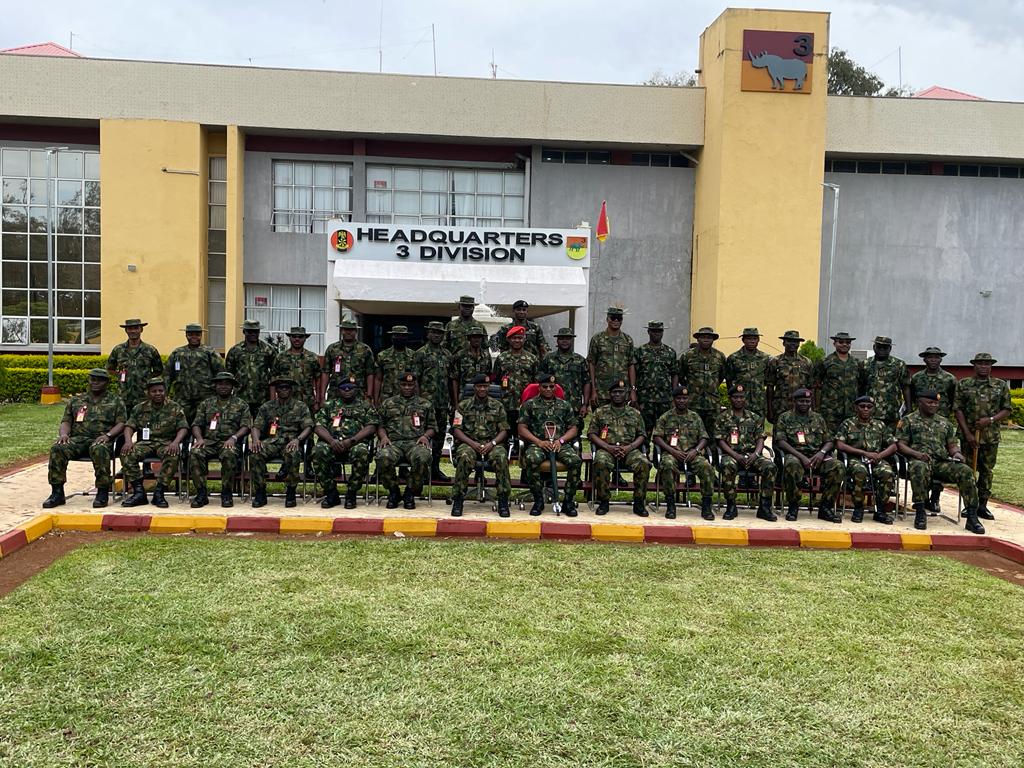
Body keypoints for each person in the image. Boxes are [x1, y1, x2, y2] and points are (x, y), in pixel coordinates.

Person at [898, 390, 984, 534]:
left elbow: (952, 446)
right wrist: (916, 454)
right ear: (920, 402)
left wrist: (957, 454)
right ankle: (920, 511)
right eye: (930, 402)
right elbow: (900, 445)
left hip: (940, 462)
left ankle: (971, 516)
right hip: (919, 460)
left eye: (936, 403)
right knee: (919, 468)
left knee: (966, 471)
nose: (934, 405)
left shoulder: (945, 423)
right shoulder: (908, 420)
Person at [42, 368, 126, 509]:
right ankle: (57, 493)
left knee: (99, 448)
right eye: (92, 379)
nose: (95, 383)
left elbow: (121, 423)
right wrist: (63, 435)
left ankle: (102, 491)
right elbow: (66, 421)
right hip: (79, 439)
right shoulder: (76, 400)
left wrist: (108, 435)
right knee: (58, 448)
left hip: (102, 439)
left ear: (106, 382)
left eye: (99, 380)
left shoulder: (116, 401)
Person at [955, 352, 1012, 521]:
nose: (983, 366)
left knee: (986, 471)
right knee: (967, 470)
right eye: (980, 363)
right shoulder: (964, 384)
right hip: (968, 436)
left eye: (987, 364)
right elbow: (957, 409)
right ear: (974, 365)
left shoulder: (1000, 385)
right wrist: (967, 433)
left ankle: (982, 505)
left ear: (991, 366)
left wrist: (991, 420)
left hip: (990, 436)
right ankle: (968, 504)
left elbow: (1007, 409)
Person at [774, 388, 844, 523]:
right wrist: (801, 457)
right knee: (791, 464)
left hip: (817, 456)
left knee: (837, 466)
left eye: (807, 401)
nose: (804, 404)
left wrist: (821, 453)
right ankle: (793, 506)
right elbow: (781, 442)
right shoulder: (785, 418)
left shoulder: (818, 418)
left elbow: (829, 441)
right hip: (795, 454)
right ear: (794, 401)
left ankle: (826, 507)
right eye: (801, 401)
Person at [518, 373, 582, 517]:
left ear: (555, 388)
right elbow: (522, 428)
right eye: (545, 386)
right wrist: (539, 442)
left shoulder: (564, 405)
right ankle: (538, 500)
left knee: (575, 461)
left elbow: (573, 428)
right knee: (532, 459)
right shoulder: (529, 404)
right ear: (539, 388)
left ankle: (568, 501)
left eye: (551, 387)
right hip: (538, 443)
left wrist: (561, 441)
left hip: (560, 444)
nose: (548, 389)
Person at [120, 377, 189, 509]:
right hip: (146, 443)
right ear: (148, 393)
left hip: (166, 443)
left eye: (161, 391)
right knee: (127, 453)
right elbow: (129, 426)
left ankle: (159, 492)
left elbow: (183, 427)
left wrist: (175, 442)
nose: (158, 393)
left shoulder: (174, 407)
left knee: (173, 455)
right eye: (154, 391)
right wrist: (128, 441)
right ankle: (139, 492)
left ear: (165, 392)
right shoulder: (140, 408)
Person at [311, 376, 378, 509]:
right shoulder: (329, 405)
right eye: (344, 388)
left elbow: (371, 427)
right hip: (332, 442)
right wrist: (331, 441)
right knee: (318, 451)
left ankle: (351, 492)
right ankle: (331, 492)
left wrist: (352, 441)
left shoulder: (365, 406)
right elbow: (318, 426)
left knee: (362, 452)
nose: (347, 391)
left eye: (351, 388)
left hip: (355, 443)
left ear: (356, 390)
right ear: (338, 390)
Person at [450, 373, 512, 517]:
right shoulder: (463, 406)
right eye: (479, 386)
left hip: (492, 444)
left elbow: (504, 430)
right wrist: (472, 444)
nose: (482, 389)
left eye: (485, 386)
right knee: (464, 456)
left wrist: (493, 443)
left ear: (489, 387)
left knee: (501, 456)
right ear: (474, 388)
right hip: (469, 443)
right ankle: (458, 499)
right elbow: (456, 430)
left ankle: (503, 500)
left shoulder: (498, 406)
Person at [589, 379, 651, 517]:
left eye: (621, 392)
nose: (617, 395)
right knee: (600, 462)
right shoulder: (600, 412)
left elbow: (642, 435)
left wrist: (629, 447)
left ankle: (639, 501)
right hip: (607, 449)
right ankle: (604, 501)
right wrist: (607, 447)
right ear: (609, 394)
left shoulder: (635, 413)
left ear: (627, 394)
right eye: (614, 392)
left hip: (629, 450)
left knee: (644, 463)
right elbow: (592, 433)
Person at [188, 371, 251, 508]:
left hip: (229, 442)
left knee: (229, 453)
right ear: (215, 386)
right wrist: (199, 438)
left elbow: (246, 426)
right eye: (220, 383)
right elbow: (196, 424)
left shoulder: (241, 404)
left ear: (232, 386)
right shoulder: (206, 404)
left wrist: (234, 438)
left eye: (227, 384)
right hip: (208, 441)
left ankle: (226, 492)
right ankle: (201, 493)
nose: (223, 386)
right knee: (195, 452)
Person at [652, 385, 715, 521]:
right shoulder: (666, 417)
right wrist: (672, 451)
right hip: (672, 453)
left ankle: (706, 505)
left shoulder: (695, 417)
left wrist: (696, 450)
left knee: (706, 466)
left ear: (689, 400)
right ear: (674, 400)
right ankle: (670, 504)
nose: (682, 401)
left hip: (692, 454)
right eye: (679, 398)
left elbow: (704, 437)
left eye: (684, 398)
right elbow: (657, 437)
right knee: (667, 464)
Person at [250, 377, 314, 508]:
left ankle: (291, 491)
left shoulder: (300, 406)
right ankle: (260, 492)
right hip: (272, 442)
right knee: (256, 453)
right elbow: (256, 426)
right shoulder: (267, 407)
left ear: (291, 390)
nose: (284, 390)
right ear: (276, 390)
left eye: (287, 388)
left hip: (291, 442)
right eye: (281, 388)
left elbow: (308, 426)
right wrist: (256, 440)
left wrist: (298, 439)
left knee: (293, 453)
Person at [376, 371, 436, 510]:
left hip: (415, 442)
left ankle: (410, 492)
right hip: (393, 442)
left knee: (422, 457)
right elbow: (380, 426)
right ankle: (393, 491)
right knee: (383, 457)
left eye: (410, 385)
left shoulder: (425, 404)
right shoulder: (388, 403)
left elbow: (432, 427)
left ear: (415, 385)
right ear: (399, 385)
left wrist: (425, 436)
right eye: (404, 384)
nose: (407, 387)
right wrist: (383, 437)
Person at [715, 384, 775, 521]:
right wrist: (735, 455)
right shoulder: (723, 418)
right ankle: (731, 506)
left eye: (741, 397)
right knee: (728, 466)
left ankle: (764, 507)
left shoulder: (755, 418)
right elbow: (720, 441)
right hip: (731, 454)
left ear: (745, 399)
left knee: (770, 467)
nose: (739, 400)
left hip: (751, 454)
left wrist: (756, 454)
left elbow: (760, 439)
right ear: (730, 399)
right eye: (735, 397)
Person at [835, 396, 898, 524]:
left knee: (887, 473)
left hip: (876, 458)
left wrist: (879, 456)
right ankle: (858, 507)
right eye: (862, 406)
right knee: (860, 471)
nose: (865, 409)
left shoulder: (880, 425)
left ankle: (880, 510)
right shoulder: (848, 423)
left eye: (869, 407)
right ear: (855, 408)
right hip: (855, 458)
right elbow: (839, 444)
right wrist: (864, 452)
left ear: (873, 409)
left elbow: (893, 445)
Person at [910, 345, 959, 513]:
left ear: (941, 359)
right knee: (921, 461)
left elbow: (954, 401)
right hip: (920, 423)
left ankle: (935, 497)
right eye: (930, 357)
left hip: (941, 425)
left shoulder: (949, 379)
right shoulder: (916, 378)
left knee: (940, 458)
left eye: (936, 357)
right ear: (924, 359)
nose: (933, 360)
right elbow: (911, 396)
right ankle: (920, 499)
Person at [414, 320, 454, 481]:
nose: (436, 335)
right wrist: (417, 402)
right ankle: (422, 470)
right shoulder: (420, 353)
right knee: (422, 435)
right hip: (424, 403)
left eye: (439, 333)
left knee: (439, 436)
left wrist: (453, 401)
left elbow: (451, 380)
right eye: (434, 332)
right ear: (428, 333)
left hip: (442, 403)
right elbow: (415, 379)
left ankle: (435, 468)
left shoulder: (447, 355)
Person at [164, 323, 225, 423]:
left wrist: (220, 393)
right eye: (190, 334)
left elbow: (220, 373)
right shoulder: (177, 353)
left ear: (201, 335)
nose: (194, 337)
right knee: (182, 425)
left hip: (205, 397)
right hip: (182, 397)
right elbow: (167, 374)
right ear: (186, 335)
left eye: (197, 334)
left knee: (205, 425)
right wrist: (165, 394)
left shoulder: (209, 352)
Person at [491, 326, 539, 446]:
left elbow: (536, 383)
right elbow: (495, 381)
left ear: (524, 339)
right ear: (508, 340)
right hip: (505, 405)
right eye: (514, 338)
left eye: (520, 338)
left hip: (525, 406)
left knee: (524, 441)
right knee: (503, 439)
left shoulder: (532, 359)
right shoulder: (501, 358)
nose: (517, 340)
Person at [106, 317, 163, 414]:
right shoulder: (118, 350)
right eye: (130, 329)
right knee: (124, 424)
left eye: (136, 328)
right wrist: (120, 375)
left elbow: (158, 370)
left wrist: (146, 378)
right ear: (126, 331)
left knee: (144, 424)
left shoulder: (150, 350)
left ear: (141, 329)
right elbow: (109, 368)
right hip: (124, 396)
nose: (133, 331)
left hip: (144, 396)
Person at [539, 327, 590, 433]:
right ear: (557, 340)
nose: (565, 341)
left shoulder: (580, 360)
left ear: (572, 340)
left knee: (575, 434)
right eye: (562, 338)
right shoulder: (548, 359)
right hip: (552, 404)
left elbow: (586, 382)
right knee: (551, 432)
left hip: (574, 406)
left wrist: (585, 404)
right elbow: (540, 382)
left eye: (568, 338)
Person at [678, 326, 727, 436]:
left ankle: (713, 453)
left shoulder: (719, 356)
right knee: (692, 432)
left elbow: (722, 375)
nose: (706, 339)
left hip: (713, 403)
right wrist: (692, 387)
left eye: (709, 337)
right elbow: (681, 375)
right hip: (693, 402)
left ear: (713, 340)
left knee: (714, 433)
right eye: (703, 337)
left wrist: (711, 387)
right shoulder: (687, 356)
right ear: (697, 339)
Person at [634, 321, 678, 438]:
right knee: (644, 431)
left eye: (659, 331)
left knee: (665, 431)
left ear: (663, 332)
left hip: (665, 399)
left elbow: (674, 374)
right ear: (648, 332)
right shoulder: (640, 351)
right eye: (653, 331)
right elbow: (634, 373)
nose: (656, 334)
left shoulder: (670, 352)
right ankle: (644, 455)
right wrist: (633, 391)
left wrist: (674, 395)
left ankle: (662, 456)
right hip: (645, 399)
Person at [814, 331, 863, 434]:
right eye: (840, 342)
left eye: (847, 342)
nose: (844, 344)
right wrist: (816, 408)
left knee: (851, 437)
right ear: (834, 343)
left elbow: (861, 385)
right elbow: (817, 386)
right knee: (829, 438)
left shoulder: (857, 363)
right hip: (830, 409)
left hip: (851, 409)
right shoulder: (826, 362)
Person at [225, 319, 276, 417]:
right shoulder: (235, 351)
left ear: (259, 332)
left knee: (261, 428)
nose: (253, 334)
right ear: (244, 331)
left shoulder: (268, 350)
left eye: (255, 331)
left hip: (262, 397)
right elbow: (229, 375)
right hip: (240, 397)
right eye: (249, 331)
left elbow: (274, 374)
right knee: (240, 427)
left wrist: (273, 397)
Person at [588, 307, 636, 408]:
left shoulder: (628, 340)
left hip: (622, 391)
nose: (616, 321)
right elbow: (591, 364)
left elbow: (631, 365)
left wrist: (632, 390)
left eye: (619, 318)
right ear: (607, 319)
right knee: (601, 421)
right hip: (602, 391)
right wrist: (593, 390)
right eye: (613, 318)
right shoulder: (597, 339)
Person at [320, 319, 375, 402]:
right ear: (341, 331)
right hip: (336, 394)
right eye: (346, 329)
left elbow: (370, 373)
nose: (348, 332)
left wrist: (369, 395)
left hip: (358, 394)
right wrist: (322, 395)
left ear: (356, 331)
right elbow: (326, 372)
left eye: (351, 330)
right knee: (334, 415)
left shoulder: (365, 349)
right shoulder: (332, 349)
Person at [272, 327, 323, 413]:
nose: (297, 339)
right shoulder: (281, 357)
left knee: (308, 425)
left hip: (307, 401)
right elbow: (273, 378)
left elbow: (318, 379)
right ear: (290, 338)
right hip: (285, 401)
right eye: (294, 336)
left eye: (300, 337)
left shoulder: (312, 357)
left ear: (305, 338)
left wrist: (317, 400)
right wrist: (273, 400)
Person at [862, 336, 910, 428]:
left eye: (885, 347)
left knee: (892, 439)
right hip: (870, 411)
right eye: (879, 347)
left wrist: (908, 408)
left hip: (892, 412)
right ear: (874, 347)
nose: (882, 350)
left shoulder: (899, 364)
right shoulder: (865, 364)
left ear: (890, 348)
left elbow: (906, 387)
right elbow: (861, 387)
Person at [766, 330, 812, 424]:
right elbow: (770, 387)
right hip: (781, 406)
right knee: (779, 435)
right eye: (789, 341)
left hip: (801, 406)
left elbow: (811, 387)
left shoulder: (806, 362)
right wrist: (770, 410)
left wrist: (813, 408)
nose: (793, 344)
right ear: (784, 343)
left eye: (795, 342)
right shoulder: (775, 361)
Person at [725, 327, 770, 422]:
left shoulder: (765, 358)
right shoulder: (733, 358)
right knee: (738, 430)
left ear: (758, 340)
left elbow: (767, 380)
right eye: (749, 339)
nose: (752, 341)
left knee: (758, 431)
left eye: (754, 339)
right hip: (739, 402)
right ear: (743, 340)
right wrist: (733, 397)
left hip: (759, 403)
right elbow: (729, 380)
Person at [374, 325, 416, 405]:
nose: (400, 338)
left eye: (403, 336)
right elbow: (378, 379)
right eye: (396, 335)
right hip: (387, 398)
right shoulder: (382, 356)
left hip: (408, 399)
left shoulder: (413, 356)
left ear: (407, 338)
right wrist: (376, 399)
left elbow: (416, 380)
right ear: (392, 337)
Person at [449, 323, 492, 397]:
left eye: (479, 337)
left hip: (482, 395)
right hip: (464, 395)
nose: (476, 339)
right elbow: (455, 379)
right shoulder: (460, 355)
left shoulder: (486, 355)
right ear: (469, 339)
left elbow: (489, 377)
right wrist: (455, 403)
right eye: (474, 337)